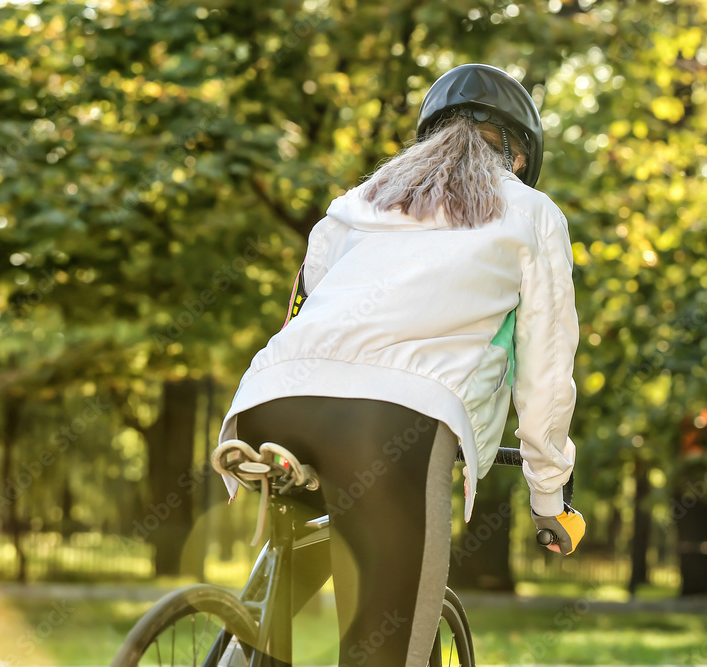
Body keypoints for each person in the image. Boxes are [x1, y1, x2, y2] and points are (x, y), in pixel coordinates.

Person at [215, 63, 585, 667]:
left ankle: (240, 648)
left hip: (271, 401)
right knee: (382, 651)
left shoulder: (355, 203)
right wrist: (550, 500)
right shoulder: (531, 212)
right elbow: (545, 372)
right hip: (394, 428)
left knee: (293, 568)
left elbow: (303, 305)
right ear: (518, 157)